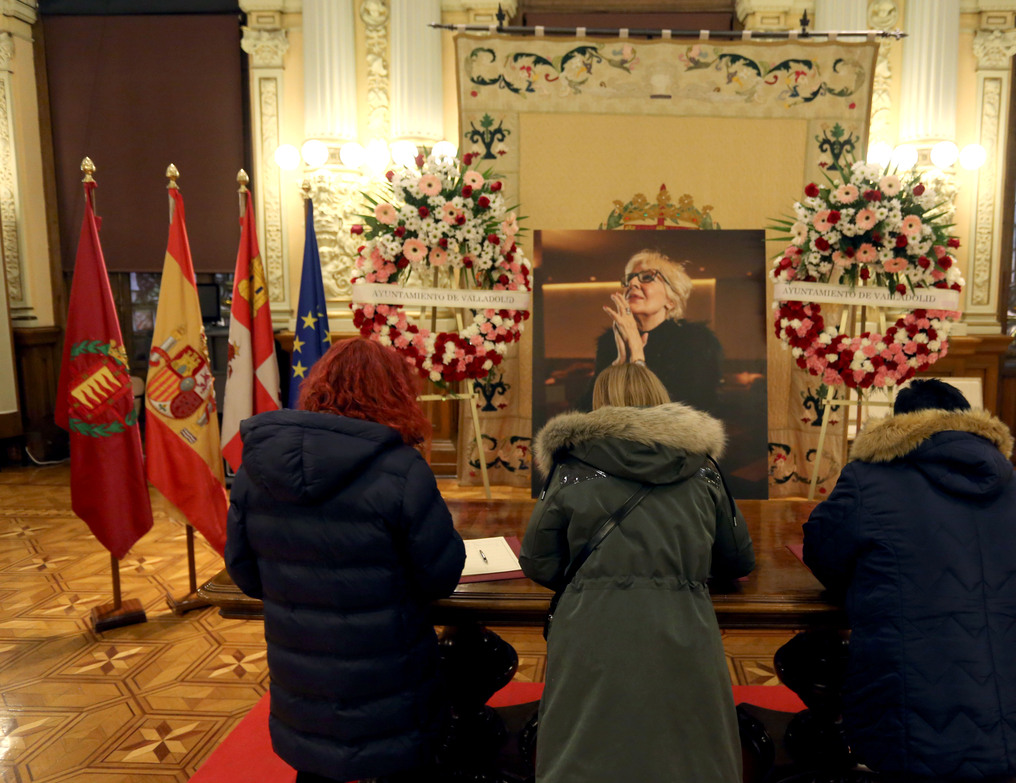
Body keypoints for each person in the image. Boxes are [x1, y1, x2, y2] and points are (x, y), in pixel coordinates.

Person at [800, 379, 1016, 783]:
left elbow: (823, 553)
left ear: (900, 425)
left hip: (912, 688)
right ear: (971, 422)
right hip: (1012, 690)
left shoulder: (867, 480)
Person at [225, 337, 466, 783]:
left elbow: (243, 571)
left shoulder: (254, 467)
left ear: (318, 387)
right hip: (389, 687)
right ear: (396, 392)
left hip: (304, 685)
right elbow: (440, 576)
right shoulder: (402, 470)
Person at [522, 362, 755, 783]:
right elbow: (737, 560)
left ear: (599, 406)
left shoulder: (571, 467)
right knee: (689, 755)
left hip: (591, 630)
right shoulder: (702, 469)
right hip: (685, 627)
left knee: (584, 751)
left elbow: (539, 560)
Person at [588, 249, 723, 414]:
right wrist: (616, 368)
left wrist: (637, 358)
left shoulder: (696, 343)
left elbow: (685, 419)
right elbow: (589, 411)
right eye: (629, 279)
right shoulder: (610, 343)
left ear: (671, 300)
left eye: (646, 277)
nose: (632, 284)